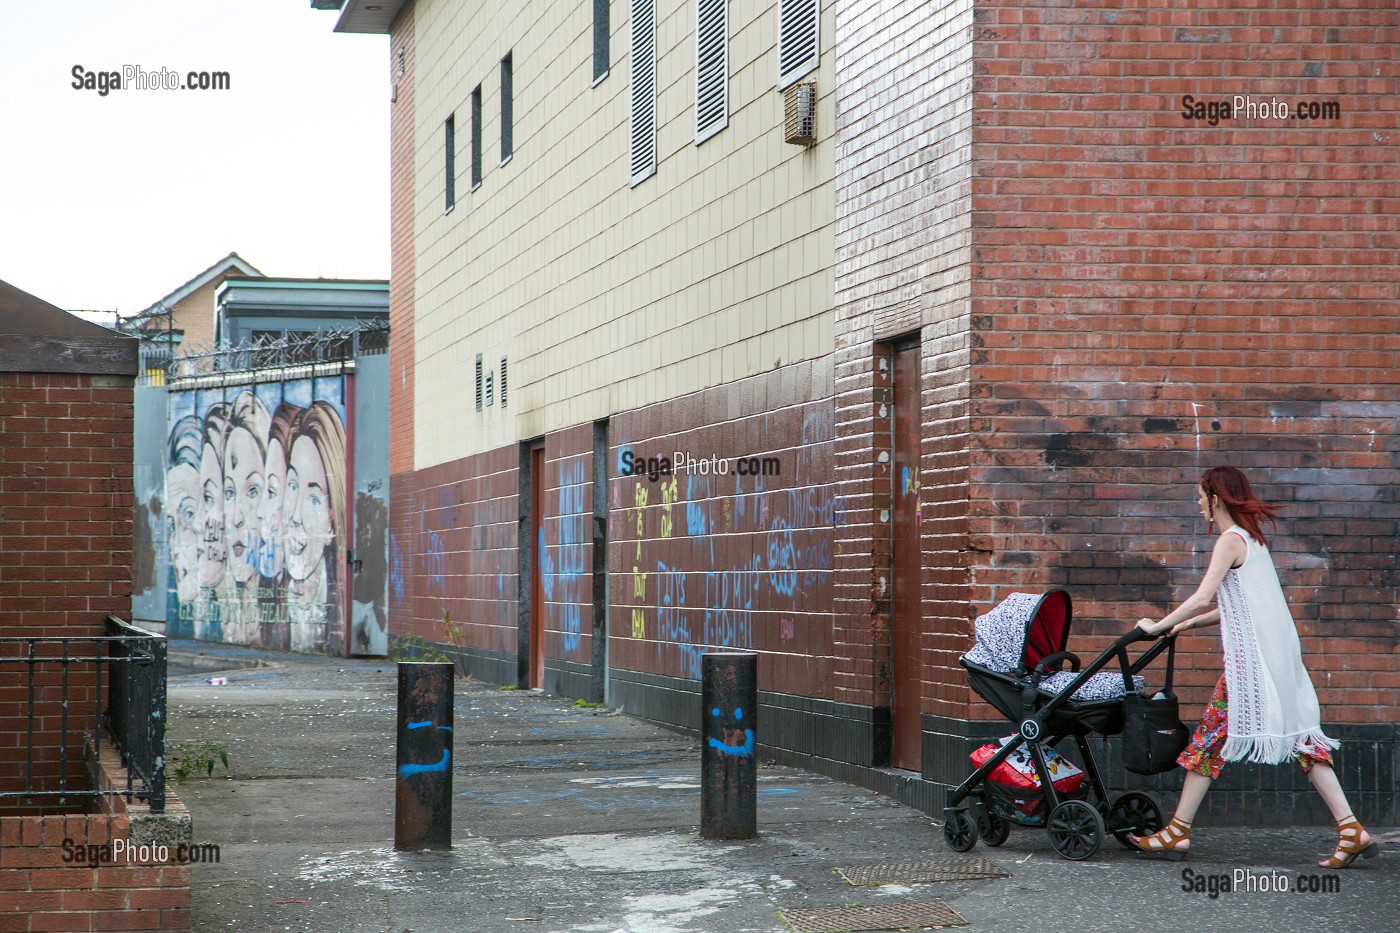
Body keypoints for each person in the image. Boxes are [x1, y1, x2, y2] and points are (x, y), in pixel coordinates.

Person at [1129, 466, 1377, 869]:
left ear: (1216, 497)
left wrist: (1157, 626)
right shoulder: (1253, 540)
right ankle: (1352, 831)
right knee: (1301, 740)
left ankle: (1177, 832)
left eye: (1200, 496)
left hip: (1252, 671)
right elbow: (1240, 605)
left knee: (1208, 743)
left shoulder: (1229, 541)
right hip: (1278, 663)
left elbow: (1201, 596)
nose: (1197, 503)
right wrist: (1191, 624)